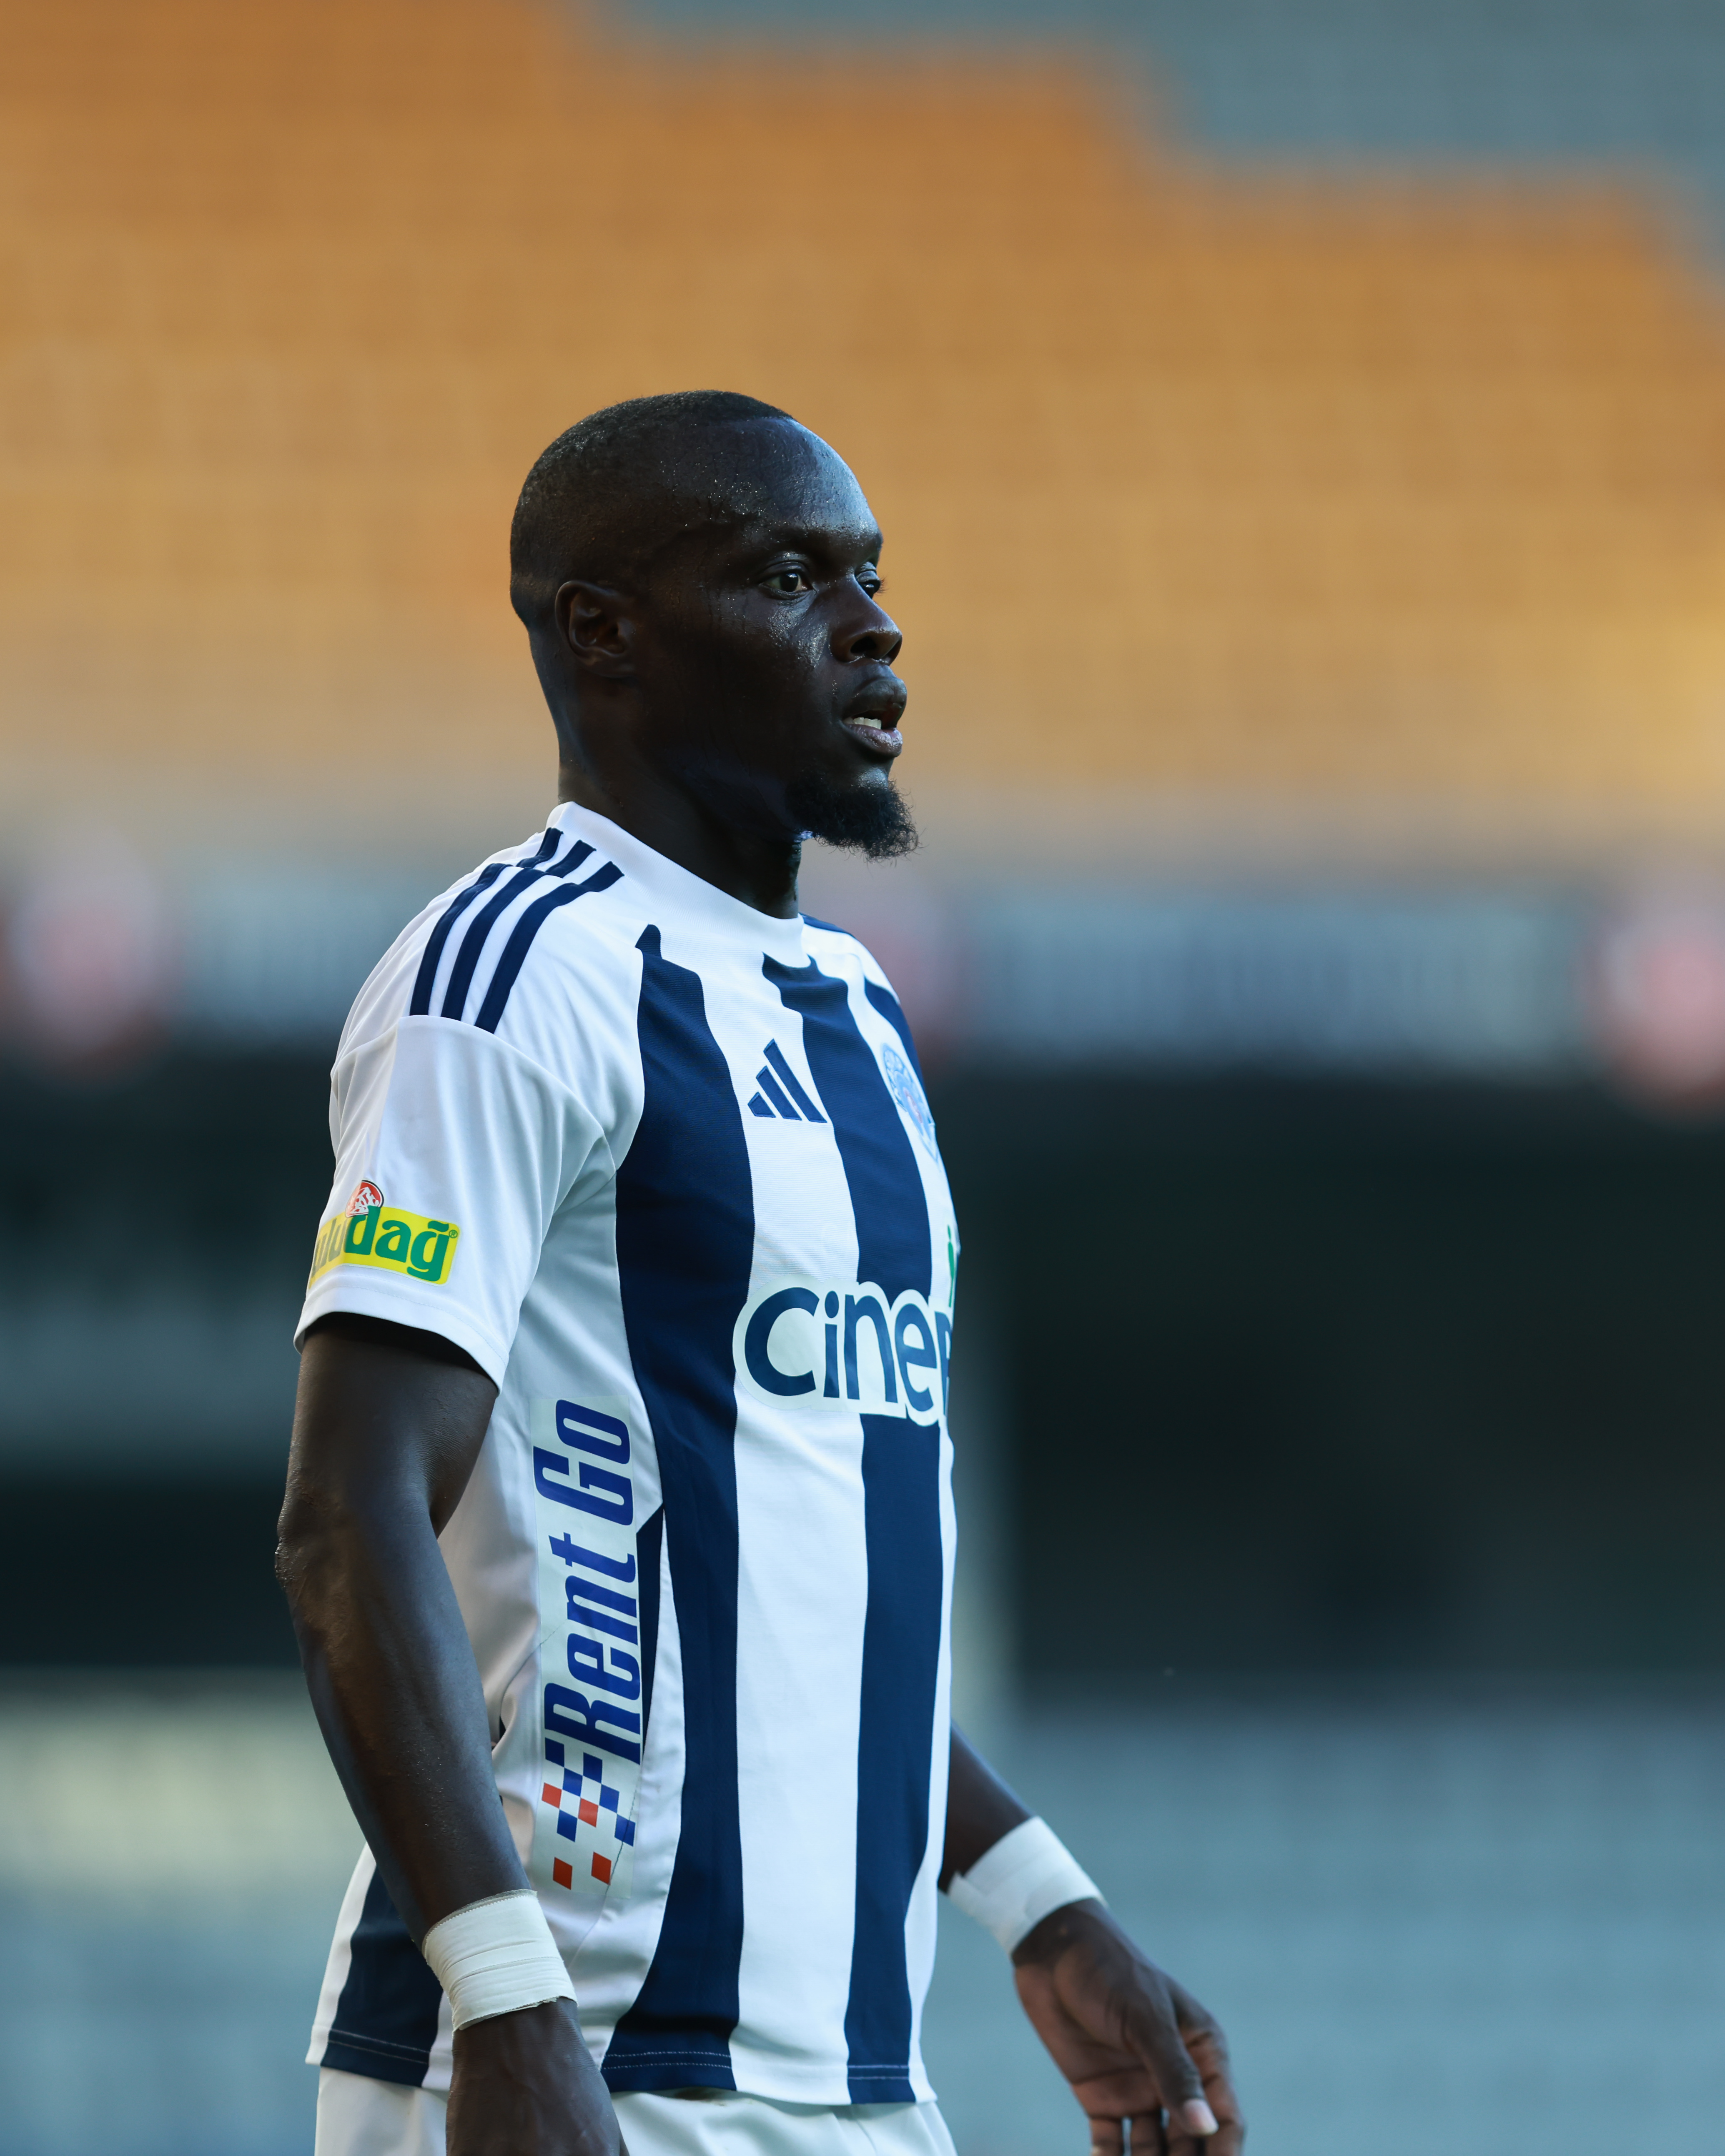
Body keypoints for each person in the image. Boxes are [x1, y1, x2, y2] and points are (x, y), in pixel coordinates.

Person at [276, 391, 1244, 2156]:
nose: (871, 629)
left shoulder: (858, 1010)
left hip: (855, 2078)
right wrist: (504, 2007)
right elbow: (347, 1516)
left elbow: (804, 1578)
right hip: (570, 2053)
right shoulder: (510, 978)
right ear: (605, 633)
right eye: (789, 578)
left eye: (870, 576)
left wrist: (1036, 1899)